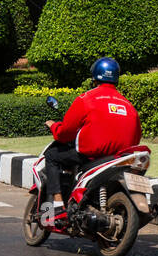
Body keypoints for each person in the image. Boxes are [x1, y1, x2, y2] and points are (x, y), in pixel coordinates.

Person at [42, 57, 141, 223]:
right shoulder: (128, 105)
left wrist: (53, 126)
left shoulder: (86, 99)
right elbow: (136, 137)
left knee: (52, 155)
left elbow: (65, 133)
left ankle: (58, 205)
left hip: (91, 156)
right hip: (118, 158)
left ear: (94, 77)